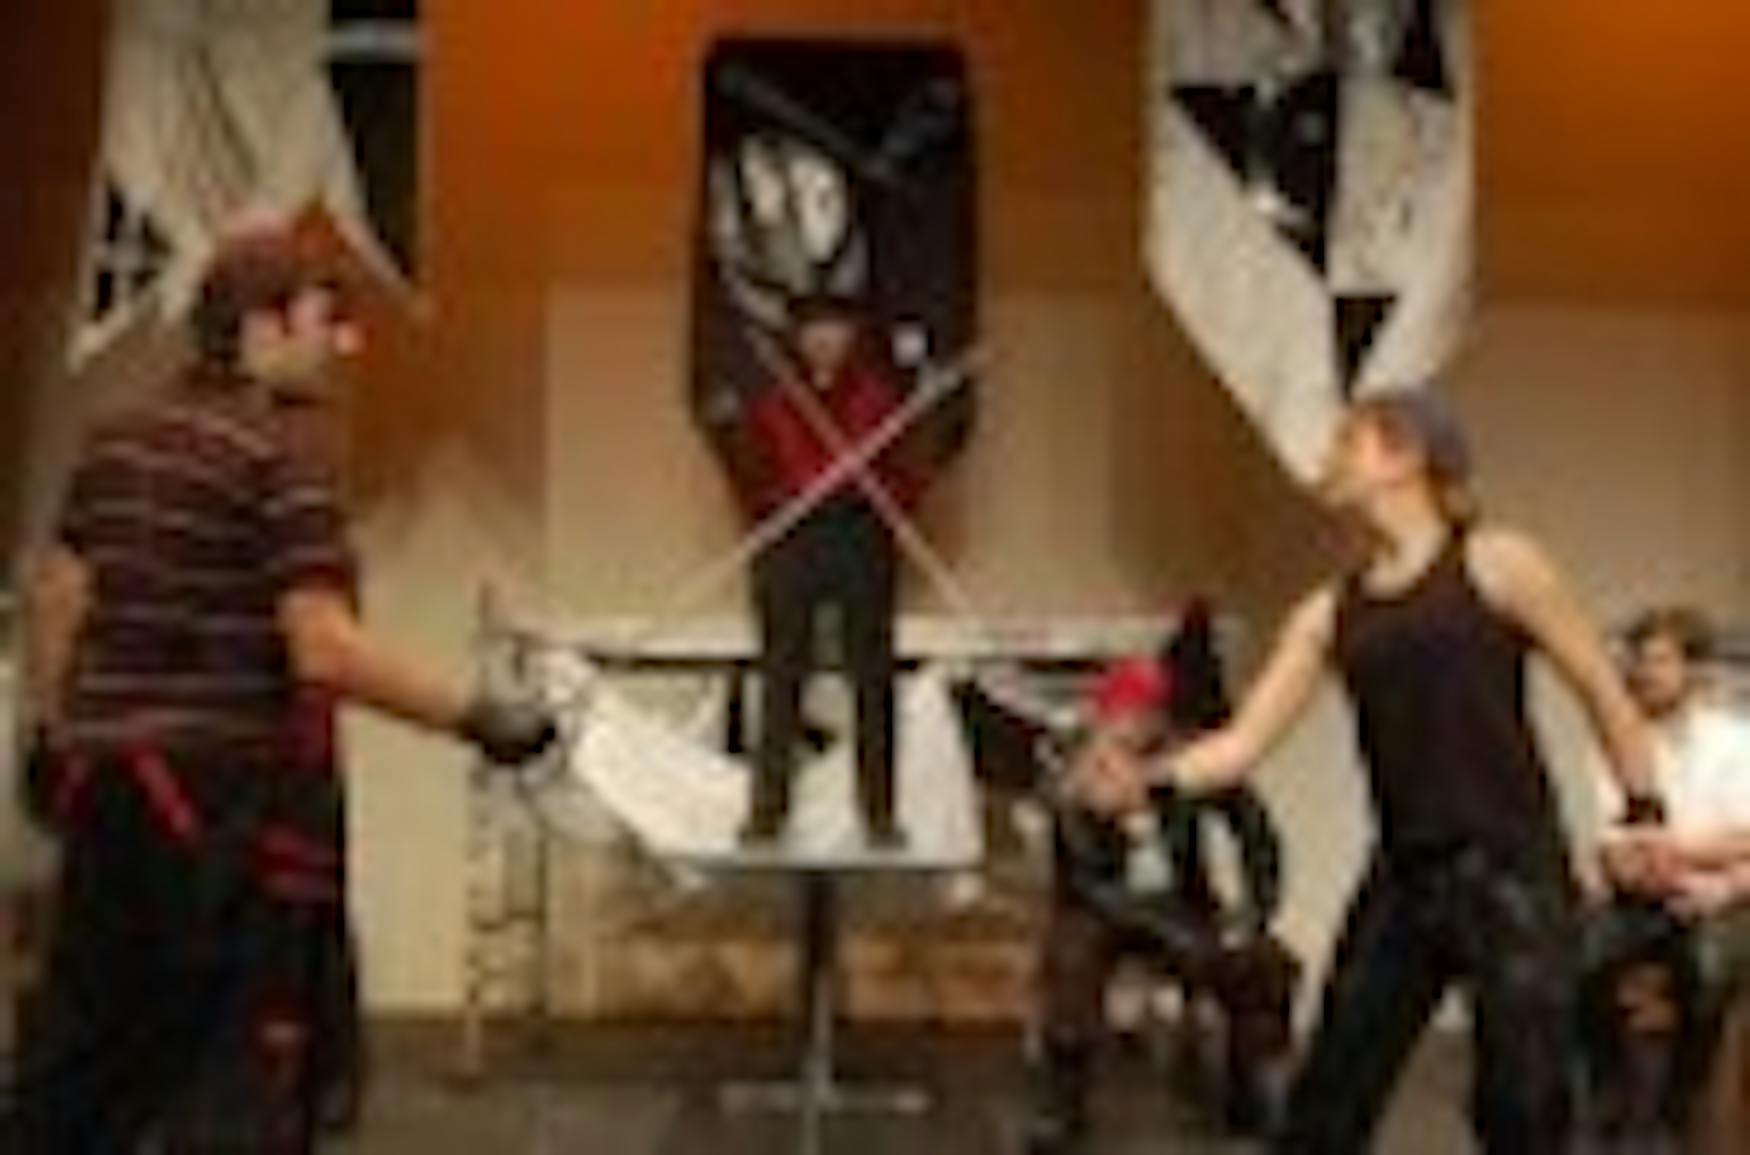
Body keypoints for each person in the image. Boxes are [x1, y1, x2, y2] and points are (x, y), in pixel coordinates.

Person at [2, 228, 556, 1153]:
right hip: (218, 805)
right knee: (233, 1071)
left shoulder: (117, 439)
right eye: (321, 319)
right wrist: (477, 715)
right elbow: (323, 648)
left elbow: (57, 594)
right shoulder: (284, 450)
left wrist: (57, 730)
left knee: (81, 1059)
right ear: (261, 327)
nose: (338, 342)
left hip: (105, 789)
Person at [1078, 389, 1664, 1152]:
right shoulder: (1330, 613)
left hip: (1512, 869)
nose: (1329, 461)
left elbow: (1600, 688)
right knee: (1328, 1100)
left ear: (1405, 456)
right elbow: (1243, 742)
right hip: (1405, 876)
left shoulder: (1498, 564)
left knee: (1522, 1107)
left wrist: (1644, 810)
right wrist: (1148, 780)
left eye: (1348, 443)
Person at [1023, 652, 1299, 1154]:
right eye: (1126, 713)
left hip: (1181, 905)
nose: (1136, 725)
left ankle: (1249, 1087)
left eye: (1148, 713)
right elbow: (1085, 876)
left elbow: (1255, 832)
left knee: (1262, 961)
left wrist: (1253, 910)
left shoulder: (1185, 765)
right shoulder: (1074, 770)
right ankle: (1061, 1105)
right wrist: (1169, 930)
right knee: (1071, 958)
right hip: (1100, 907)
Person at [720, 292, 931, 848]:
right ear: (798, 337)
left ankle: (880, 814)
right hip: (792, 536)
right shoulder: (775, 400)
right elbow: (749, 475)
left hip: (860, 535)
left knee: (872, 676)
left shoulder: (878, 400)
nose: (825, 339)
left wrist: (880, 498)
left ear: (853, 335)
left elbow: (906, 476)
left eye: (836, 328)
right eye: (814, 329)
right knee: (782, 674)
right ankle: (767, 814)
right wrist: (780, 500)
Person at [1577, 606, 1750, 1138]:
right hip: (1644, 893)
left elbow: (1746, 838)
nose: (1644, 672)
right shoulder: (1615, 742)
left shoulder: (1735, 741)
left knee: (1707, 966)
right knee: (1576, 957)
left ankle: (1685, 1096)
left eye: (1659, 660)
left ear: (1692, 669)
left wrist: (1696, 865)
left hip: (1727, 895)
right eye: (1639, 660)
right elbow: (1617, 846)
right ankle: (1609, 1095)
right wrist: (1675, 864)